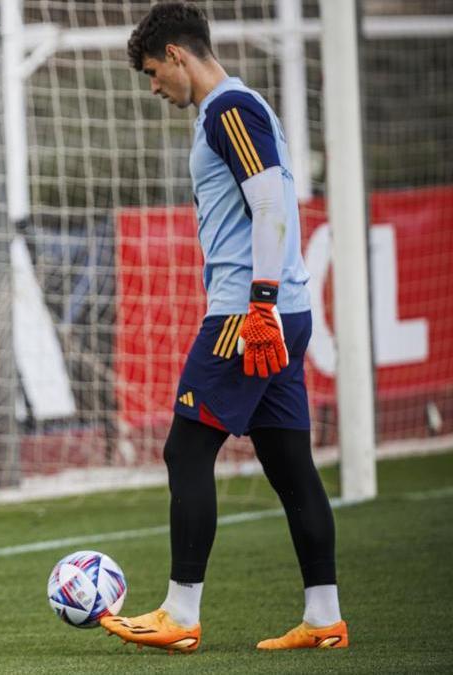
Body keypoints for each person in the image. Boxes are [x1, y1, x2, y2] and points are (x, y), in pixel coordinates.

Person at [100, 1, 347, 653]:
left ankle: (180, 612)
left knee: (185, 450)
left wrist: (259, 303)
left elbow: (269, 199)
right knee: (291, 465)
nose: (155, 87)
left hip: (248, 315)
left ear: (177, 55)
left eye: (154, 72)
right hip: (276, 311)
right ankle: (325, 618)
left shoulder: (229, 110)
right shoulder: (234, 109)